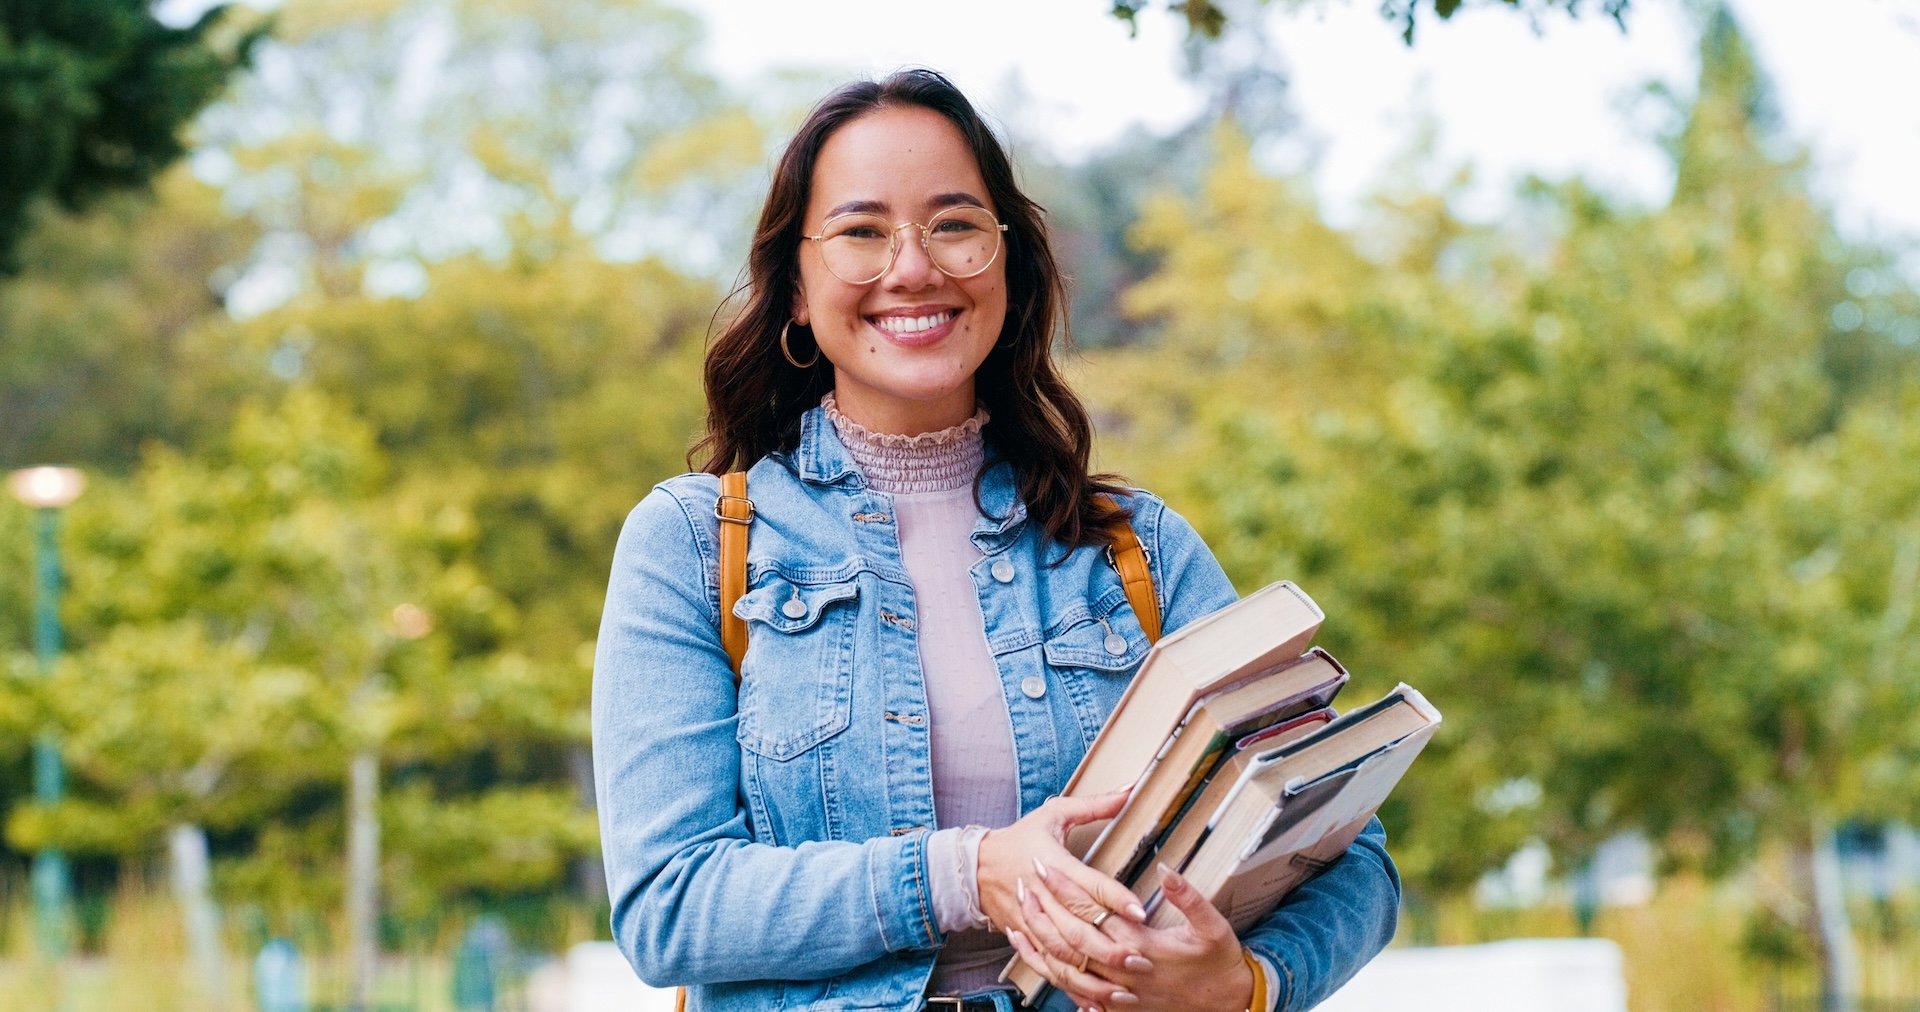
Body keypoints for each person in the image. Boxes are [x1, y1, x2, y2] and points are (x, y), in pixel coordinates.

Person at [592, 68, 1399, 1012]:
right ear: (798, 292)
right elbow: (669, 906)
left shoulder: (1137, 552)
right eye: (860, 232)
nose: (913, 267)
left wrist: (1251, 985)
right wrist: (969, 875)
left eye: (955, 224)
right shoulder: (693, 545)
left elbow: (1352, 854)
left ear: (1007, 269)